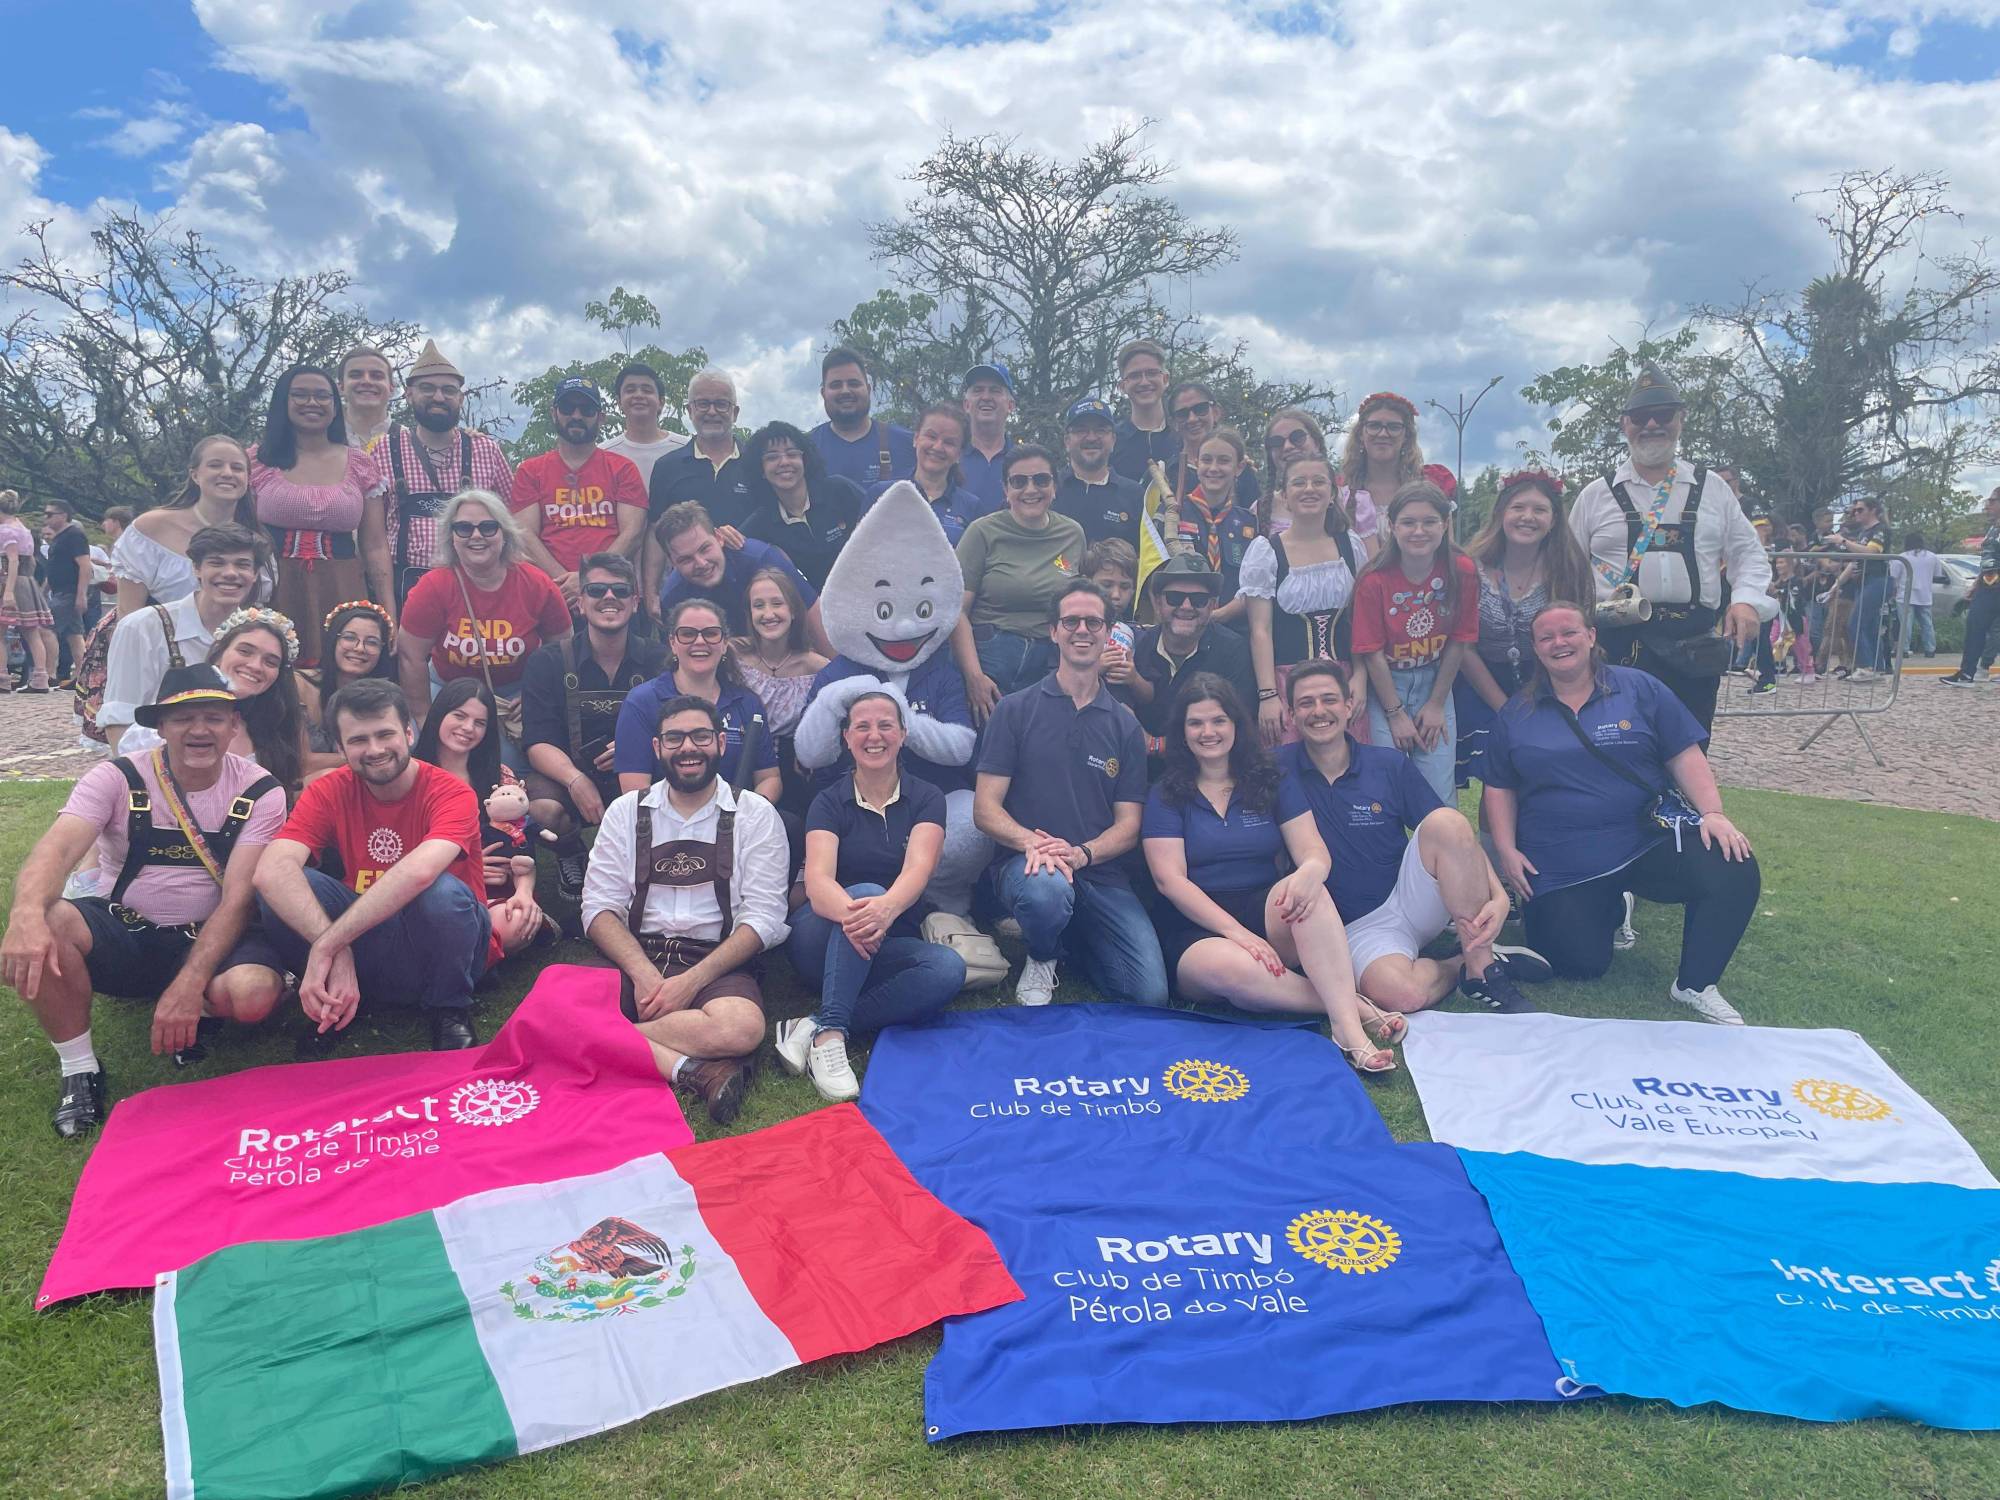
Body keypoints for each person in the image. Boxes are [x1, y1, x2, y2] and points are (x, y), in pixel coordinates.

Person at [2, 664, 289, 1135]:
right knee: (48, 924)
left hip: (213, 934)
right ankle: (80, 1070)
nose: (199, 730)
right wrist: (25, 914)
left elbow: (239, 899)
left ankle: (194, 1008)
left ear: (234, 725)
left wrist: (189, 982)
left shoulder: (260, 790)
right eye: (183, 718)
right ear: (160, 726)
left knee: (253, 995)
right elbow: (57, 849)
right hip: (128, 930)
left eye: (214, 717)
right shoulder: (116, 777)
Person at [1482, 602, 1760, 1024]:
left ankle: (1695, 984)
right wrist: (1505, 849)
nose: (1560, 643)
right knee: (1580, 965)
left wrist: (1713, 813)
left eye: (1569, 632)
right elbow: (1499, 785)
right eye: (1547, 637)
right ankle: (1611, 906)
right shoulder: (1516, 713)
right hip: (1562, 858)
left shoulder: (1639, 688)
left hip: (1644, 840)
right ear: (1536, 649)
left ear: (1591, 636)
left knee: (1731, 861)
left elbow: (1683, 753)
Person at [254, 677, 536, 1051]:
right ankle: (338, 1002)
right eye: (357, 740)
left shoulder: (451, 791)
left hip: (444, 942)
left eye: (384, 734)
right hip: (368, 936)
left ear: (408, 732)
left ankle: (448, 1008)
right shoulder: (328, 789)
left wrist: (327, 946)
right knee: (286, 886)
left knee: (440, 892)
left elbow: (419, 871)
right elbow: (270, 870)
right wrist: (337, 952)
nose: (374, 749)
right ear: (339, 746)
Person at [1142, 675, 1399, 1073]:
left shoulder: (1269, 779)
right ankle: (1353, 1004)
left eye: (1219, 721)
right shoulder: (1165, 793)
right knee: (1232, 968)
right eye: (1196, 723)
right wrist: (1237, 934)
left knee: (1308, 892)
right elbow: (1170, 881)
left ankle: (1347, 1031)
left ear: (1236, 726)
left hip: (1264, 907)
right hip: (1194, 926)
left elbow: (1313, 851)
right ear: (1182, 731)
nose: (1208, 732)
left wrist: (1311, 872)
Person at [1281, 660, 1543, 1016]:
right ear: (1292, 714)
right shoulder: (1274, 769)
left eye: (1329, 699)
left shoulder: (1387, 764)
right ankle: (1461, 964)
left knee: (1446, 822)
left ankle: (1484, 970)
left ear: (1348, 706)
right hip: (1352, 926)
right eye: (1306, 703)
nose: (1318, 711)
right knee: (1401, 995)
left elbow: (1456, 835)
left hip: (1410, 898)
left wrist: (1497, 896)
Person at [581, 695, 790, 1124]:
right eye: (674, 738)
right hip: (635, 953)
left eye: (699, 736)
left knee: (742, 1027)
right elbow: (599, 907)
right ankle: (694, 1071)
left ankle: (590, 1042)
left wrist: (688, 982)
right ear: (657, 748)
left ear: (719, 744)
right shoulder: (625, 812)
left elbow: (764, 917)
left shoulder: (756, 814)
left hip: (714, 959)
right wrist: (643, 975)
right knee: (552, 995)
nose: (688, 748)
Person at [795, 482, 988, 917]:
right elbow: (810, 752)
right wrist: (833, 700)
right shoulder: (839, 671)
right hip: (853, 807)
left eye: (919, 612)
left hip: (927, 803)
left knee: (972, 819)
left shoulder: (939, 671)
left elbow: (961, 748)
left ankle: (941, 899)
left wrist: (890, 708)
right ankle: (866, 897)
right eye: (884, 613)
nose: (901, 629)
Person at [974, 579, 1168, 1007]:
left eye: (1093, 622)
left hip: (1098, 871)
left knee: (1148, 993)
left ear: (1108, 632)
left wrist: (1080, 853)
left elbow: (1129, 825)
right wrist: (1035, 845)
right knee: (1047, 893)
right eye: (1071, 621)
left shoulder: (1125, 726)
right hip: (1029, 867)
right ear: (1054, 631)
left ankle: (1071, 941)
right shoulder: (1015, 710)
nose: (1083, 630)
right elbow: (985, 809)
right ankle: (1043, 953)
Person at [778, 691, 965, 1101]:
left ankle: (813, 1024)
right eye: (862, 726)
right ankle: (830, 1039)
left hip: (887, 938)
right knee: (865, 892)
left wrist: (887, 911)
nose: (874, 735)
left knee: (947, 969)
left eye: (885, 725)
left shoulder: (927, 797)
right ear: (846, 737)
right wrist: (866, 912)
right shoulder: (828, 800)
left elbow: (919, 867)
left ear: (903, 734)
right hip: (820, 936)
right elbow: (819, 883)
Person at [1568, 362, 1774, 729]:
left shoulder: (1712, 488)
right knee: (1617, 751)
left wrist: (1746, 601)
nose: (1651, 425)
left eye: (1662, 414)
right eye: (1640, 416)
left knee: (1690, 752)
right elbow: (1567, 568)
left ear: (1680, 418)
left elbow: (1747, 553)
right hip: (1616, 645)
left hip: (1692, 646)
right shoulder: (1595, 495)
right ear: (1624, 424)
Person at [521, 552, 667, 898]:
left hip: (644, 772)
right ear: (581, 603)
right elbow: (536, 740)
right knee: (542, 809)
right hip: (571, 775)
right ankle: (570, 852)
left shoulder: (659, 659)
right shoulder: (547, 661)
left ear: (635, 602)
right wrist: (574, 779)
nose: (609, 598)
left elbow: (676, 729)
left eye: (620, 590)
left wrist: (637, 750)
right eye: (597, 590)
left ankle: (658, 860)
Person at [397, 489, 572, 748]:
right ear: (452, 537)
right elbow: (411, 656)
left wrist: (536, 692)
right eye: (464, 528)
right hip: (446, 689)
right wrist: (424, 718)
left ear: (505, 534)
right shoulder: (433, 586)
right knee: (414, 750)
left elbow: (563, 648)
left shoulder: (536, 583)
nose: (476, 536)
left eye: (488, 527)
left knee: (511, 768)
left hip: (512, 698)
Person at [1454, 470, 1594, 789]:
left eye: (1539, 510)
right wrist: (1505, 708)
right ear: (1502, 512)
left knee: (1546, 770)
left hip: (1549, 680)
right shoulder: (1470, 567)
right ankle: (1493, 840)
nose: (1527, 517)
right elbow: (1463, 647)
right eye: (1518, 507)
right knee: (1497, 777)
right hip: (1481, 680)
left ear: (1554, 519)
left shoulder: (1569, 569)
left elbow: (1578, 640)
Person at [249, 364, 386, 668]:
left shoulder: (361, 464)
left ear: (336, 406)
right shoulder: (256, 461)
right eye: (300, 394)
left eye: (323, 396)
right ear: (282, 401)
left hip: (343, 584)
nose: (312, 402)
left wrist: (388, 613)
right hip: (274, 585)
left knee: (345, 668)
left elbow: (375, 545)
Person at [1351, 481, 1480, 801]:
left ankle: (1439, 849)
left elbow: (1459, 640)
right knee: (1384, 782)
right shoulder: (1373, 579)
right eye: (1408, 522)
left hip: (1435, 680)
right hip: (1385, 686)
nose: (1418, 531)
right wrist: (1395, 714)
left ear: (1445, 524)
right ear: (1391, 526)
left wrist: (1436, 703)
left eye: (1429, 522)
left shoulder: (1461, 570)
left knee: (1438, 788)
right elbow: (1372, 652)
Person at [365, 340, 514, 612]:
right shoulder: (384, 449)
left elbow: (514, 524)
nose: (438, 397)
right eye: (427, 389)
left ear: (461, 397)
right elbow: (374, 541)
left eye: (448, 390)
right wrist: (388, 608)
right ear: (409, 394)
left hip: (475, 587)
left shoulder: (485, 449)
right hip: (406, 587)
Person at [1241, 454, 1370, 747]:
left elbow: (1362, 621)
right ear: (1285, 496)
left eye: (1318, 481)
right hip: (1287, 682)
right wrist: (1268, 694)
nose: (1309, 489)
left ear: (1332, 494)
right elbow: (1260, 630)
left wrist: (1361, 677)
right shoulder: (1266, 552)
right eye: (1299, 483)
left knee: (1349, 767)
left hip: (1343, 681)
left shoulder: (1351, 546)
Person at [101, 524, 266, 753]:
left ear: (255, 574)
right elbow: (119, 718)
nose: (230, 573)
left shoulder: (261, 632)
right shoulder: (143, 627)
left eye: (242, 564)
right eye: (217, 563)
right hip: (160, 769)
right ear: (196, 569)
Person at [950, 445, 1088, 717]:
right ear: (1005, 489)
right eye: (1019, 481)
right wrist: (974, 676)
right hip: (990, 659)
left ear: (1054, 486)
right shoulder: (982, 532)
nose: (1030, 489)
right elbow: (956, 611)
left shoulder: (1072, 534)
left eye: (1041, 479)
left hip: (1050, 663)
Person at [414, 677, 552, 950]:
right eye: (459, 716)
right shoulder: (413, 775)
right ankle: (472, 956)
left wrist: (524, 893)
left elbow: (522, 847)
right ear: (439, 714)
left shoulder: (499, 777)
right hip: (432, 888)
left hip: (496, 890)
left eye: (479, 723)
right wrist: (467, 868)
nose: (468, 728)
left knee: (517, 920)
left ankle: (468, 951)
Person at [114, 608, 308, 795]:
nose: (255, 666)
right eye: (245, 651)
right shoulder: (156, 727)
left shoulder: (278, 730)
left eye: (270, 662)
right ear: (219, 653)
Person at [614, 598, 781, 803]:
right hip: (664, 826)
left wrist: (747, 815)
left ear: (724, 644)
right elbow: (635, 790)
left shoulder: (748, 703)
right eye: (688, 634)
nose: (700, 642)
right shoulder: (641, 702)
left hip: (736, 824)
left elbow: (769, 777)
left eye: (711, 633)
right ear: (672, 643)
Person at [510, 378, 648, 611]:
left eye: (586, 409)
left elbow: (633, 533)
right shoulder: (530, 471)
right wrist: (566, 586)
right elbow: (525, 535)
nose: (576, 416)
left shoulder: (623, 469)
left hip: (612, 594)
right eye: (567, 408)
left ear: (600, 417)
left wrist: (588, 580)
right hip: (551, 593)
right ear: (554, 413)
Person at [1114, 553, 1256, 757]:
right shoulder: (1138, 646)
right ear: (1157, 602)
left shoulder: (1234, 651)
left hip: (1206, 768)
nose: (1186, 606)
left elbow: (1239, 726)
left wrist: (1156, 745)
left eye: (1199, 600)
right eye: (1175, 597)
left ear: (1212, 605)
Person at [653, 501, 832, 653]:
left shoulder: (762, 559)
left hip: (788, 657)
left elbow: (813, 614)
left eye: (704, 549)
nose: (701, 563)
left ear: (719, 538)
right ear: (672, 563)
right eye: (686, 559)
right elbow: (676, 661)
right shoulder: (672, 597)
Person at [111, 435, 260, 617]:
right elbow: (128, 612)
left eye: (237, 468)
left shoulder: (256, 536)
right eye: (215, 465)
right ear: (195, 475)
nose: (227, 473)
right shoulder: (150, 528)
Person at [643, 368, 754, 609]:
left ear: (734, 412)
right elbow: (655, 532)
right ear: (689, 410)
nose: (712, 411)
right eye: (702, 403)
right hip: (687, 593)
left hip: (750, 589)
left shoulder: (756, 463)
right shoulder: (667, 467)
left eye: (721, 404)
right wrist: (652, 592)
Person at [728, 566, 828, 814]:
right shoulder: (732, 655)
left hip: (790, 772)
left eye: (777, 603)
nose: (768, 613)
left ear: (793, 610)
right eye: (758, 605)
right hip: (733, 758)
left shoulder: (816, 667)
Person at [740, 420, 865, 590]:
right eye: (772, 457)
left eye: (792, 454)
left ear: (805, 460)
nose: (784, 462)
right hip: (812, 612)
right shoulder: (759, 525)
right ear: (760, 469)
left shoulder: (840, 491)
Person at [1336, 392, 1455, 546]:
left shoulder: (1431, 485)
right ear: (1360, 434)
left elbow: (1449, 550)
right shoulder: (1341, 491)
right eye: (1374, 426)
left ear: (1406, 435)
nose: (1383, 434)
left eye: (1394, 427)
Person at [1174, 428, 1262, 625]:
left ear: (1239, 468)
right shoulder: (1174, 512)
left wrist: (1220, 615)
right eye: (1206, 460)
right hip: (1184, 625)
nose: (1213, 468)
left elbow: (1256, 584)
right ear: (1196, 464)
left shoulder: (1250, 523)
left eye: (1223, 461)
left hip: (1235, 631)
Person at [300, 600, 395, 778]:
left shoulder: (384, 696)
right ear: (333, 640)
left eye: (372, 642)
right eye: (350, 638)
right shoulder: (299, 684)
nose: (360, 648)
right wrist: (362, 758)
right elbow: (302, 763)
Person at [809, 347, 914, 486]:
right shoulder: (805, 449)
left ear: (868, 389)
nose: (845, 391)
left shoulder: (910, 444)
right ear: (823, 393)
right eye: (836, 385)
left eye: (854, 383)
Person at [1055, 397, 1147, 546]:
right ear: (1067, 441)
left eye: (1100, 430)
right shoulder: (1049, 490)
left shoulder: (1135, 495)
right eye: (1081, 430)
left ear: (1113, 440)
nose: (1091, 437)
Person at [888, 401, 983, 542]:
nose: (938, 447)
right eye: (931, 436)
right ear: (915, 439)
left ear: (959, 454)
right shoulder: (883, 494)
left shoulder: (972, 507)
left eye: (949, 442)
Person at [1820, 497, 1892, 681]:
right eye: (1854, 511)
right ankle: (1876, 667)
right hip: (1863, 581)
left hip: (1877, 579)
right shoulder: (1863, 533)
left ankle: (1867, 665)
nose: (1855, 514)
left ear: (1873, 510)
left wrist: (1843, 541)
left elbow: (1872, 552)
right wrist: (1836, 586)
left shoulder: (1881, 530)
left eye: (1860, 510)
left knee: (1856, 623)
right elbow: (1854, 563)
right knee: (1870, 625)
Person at [1940, 489, 2000, 688]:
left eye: (1992, 501)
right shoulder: (1993, 529)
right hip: (1989, 584)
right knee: (1975, 625)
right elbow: (1987, 561)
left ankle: (1970, 672)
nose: (1987, 506)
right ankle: (1967, 673)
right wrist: (1975, 584)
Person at [0, 490, 57, 693]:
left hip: (10, 581)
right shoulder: (23, 528)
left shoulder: (6, 531)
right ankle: (40, 677)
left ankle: (2, 678)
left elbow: (13, 560)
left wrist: (8, 591)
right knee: (31, 631)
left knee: (1, 631)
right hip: (26, 581)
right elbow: (30, 560)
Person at [601, 361, 689, 489]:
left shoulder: (687, 449)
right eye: (630, 390)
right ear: (619, 402)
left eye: (647, 390)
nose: (638, 395)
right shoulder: (604, 454)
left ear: (661, 402)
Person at [1110, 338, 1176, 485]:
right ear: (1122, 386)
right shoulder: (1110, 442)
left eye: (1152, 373)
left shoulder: (1184, 435)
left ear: (1165, 379)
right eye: (1135, 376)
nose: (1144, 382)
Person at [41, 500, 91, 684]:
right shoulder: (59, 537)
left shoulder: (74, 535)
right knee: (74, 634)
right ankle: (81, 675)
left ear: (63, 515)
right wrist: (45, 589)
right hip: (60, 591)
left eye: (49, 514)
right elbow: (54, 567)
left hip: (69, 591)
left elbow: (85, 566)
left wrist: (81, 594)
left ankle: (49, 673)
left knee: (46, 628)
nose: (45, 517)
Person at [957, 362, 1017, 516]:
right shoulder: (950, 458)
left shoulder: (1022, 461)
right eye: (978, 390)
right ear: (966, 405)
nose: (986, 397)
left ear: (1011, 406)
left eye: (995, 391)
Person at [1260, 408, 1330, 524]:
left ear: (1316, 443)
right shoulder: (1260, 509)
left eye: (1297, 437)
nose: (1287, 446)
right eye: (1276, 442)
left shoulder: (1353, 501)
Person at [337, 345, 395, 454]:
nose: (366, 381)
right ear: (341, 387)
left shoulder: (416, 444)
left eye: (376, 376)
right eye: (355, 375)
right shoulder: (321, 440)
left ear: (391, 388)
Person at [1898, 529, 1940, 659]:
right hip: (1925, 594)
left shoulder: (1902, 557)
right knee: (1927, 624)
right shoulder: (1932, 557)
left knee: (1905, 624)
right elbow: (1937, 575)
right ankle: (1930, 649)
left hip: (1905, 593)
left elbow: (1894, 576)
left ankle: (1904, 650)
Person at [1085, 538, 1139, 624]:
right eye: (1106, 585)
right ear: (1087, 583)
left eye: (1124, 587)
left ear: (1133, 590)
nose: (1116, 595)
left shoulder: (1139, 635)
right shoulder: (1063, 629)